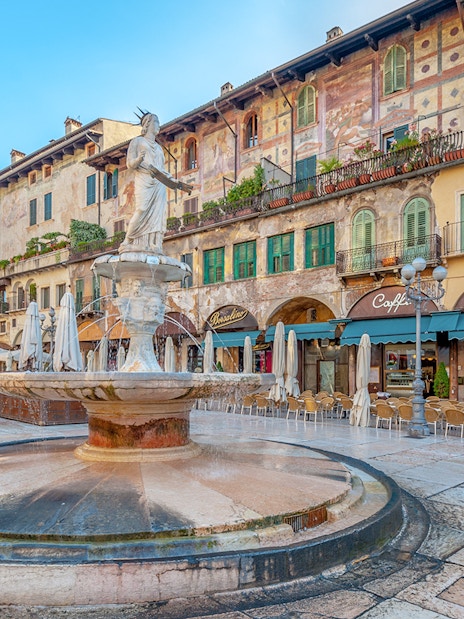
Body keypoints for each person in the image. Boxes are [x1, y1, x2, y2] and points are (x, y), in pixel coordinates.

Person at [121, 112, 192, 253]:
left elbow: (162, 170)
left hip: (158, 184)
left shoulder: (159, 148)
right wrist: (139, 160)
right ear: (147, 124)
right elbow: (130, 164)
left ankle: (154, 244)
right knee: (141, 209)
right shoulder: (137, 142)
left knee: (158, 214)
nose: (158, 125)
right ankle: (127, 241)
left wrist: (178, 183)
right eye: (156, 122)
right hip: (144, 179)